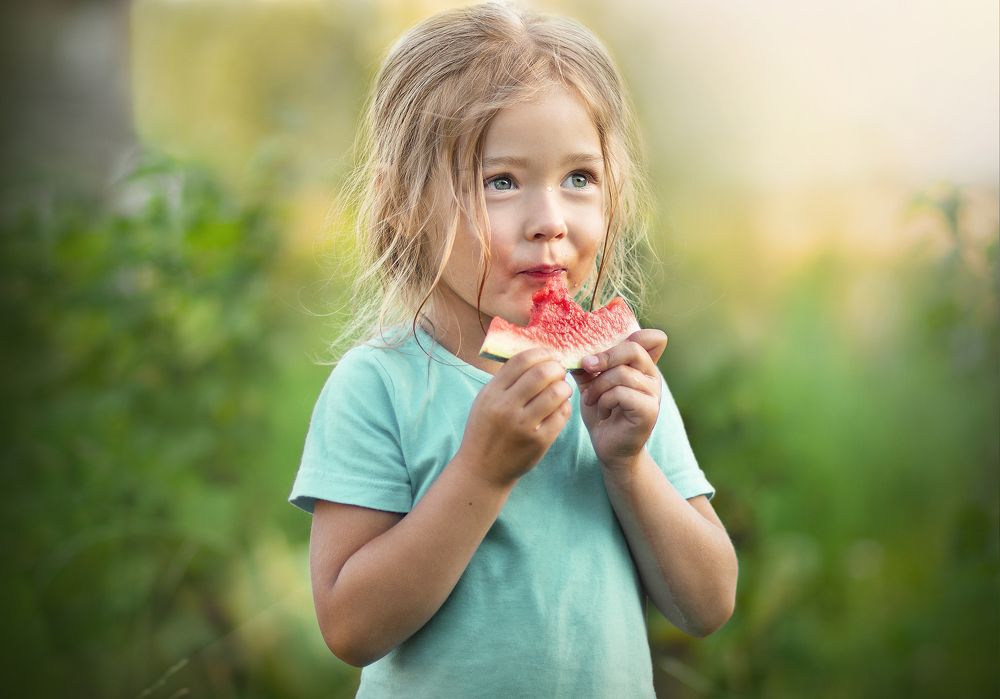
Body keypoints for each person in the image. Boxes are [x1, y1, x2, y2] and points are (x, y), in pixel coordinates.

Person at [289, 2, 738, 696]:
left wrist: (627, 463)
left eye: (579, 179)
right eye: (501, 181)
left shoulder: (617, 381)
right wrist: (481, 470)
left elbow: (707, 604)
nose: (550, 222)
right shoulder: (377, 385)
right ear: (403, 200)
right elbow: (350, 626)